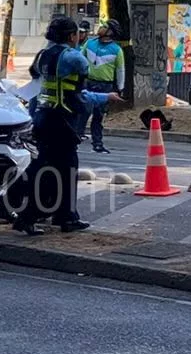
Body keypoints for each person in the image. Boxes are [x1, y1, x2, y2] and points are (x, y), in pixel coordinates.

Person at [10, 16, 121, 236]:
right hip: (62, 120)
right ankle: (42, 216)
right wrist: (105, 97)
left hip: (42, 117)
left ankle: (57, 215)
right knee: (65, 169)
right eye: (77, 34)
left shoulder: (42, 55)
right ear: (71, 36)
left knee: (48, 167)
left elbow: (36, 81)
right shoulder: (73, 58)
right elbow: (79, 94)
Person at [83, 20, 126, 154]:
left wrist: (120, 88)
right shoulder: (90, 43)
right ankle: (75, 139)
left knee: (98, 116)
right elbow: (80, 59)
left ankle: (97, 143)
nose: (101, 28)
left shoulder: (116, 50)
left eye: (105, 27)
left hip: (105, 85)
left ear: (110, 32)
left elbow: (120, 70)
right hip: (88, 82)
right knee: (82, 114)